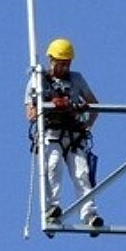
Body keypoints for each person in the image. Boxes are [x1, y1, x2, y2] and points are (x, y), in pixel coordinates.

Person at [25, 36, 103, 230]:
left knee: (82, 173)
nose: (64, 68)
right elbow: (31, 114)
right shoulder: (39, 80)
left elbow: (95, 106)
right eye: (61, 64)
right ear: (51, 60)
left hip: (74, 135)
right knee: (52, 168)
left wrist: (86, 125)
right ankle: (52, 210)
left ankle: (90, 215)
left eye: (67, 64)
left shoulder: (76, 79)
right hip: (51, 133)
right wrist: (51, 105)